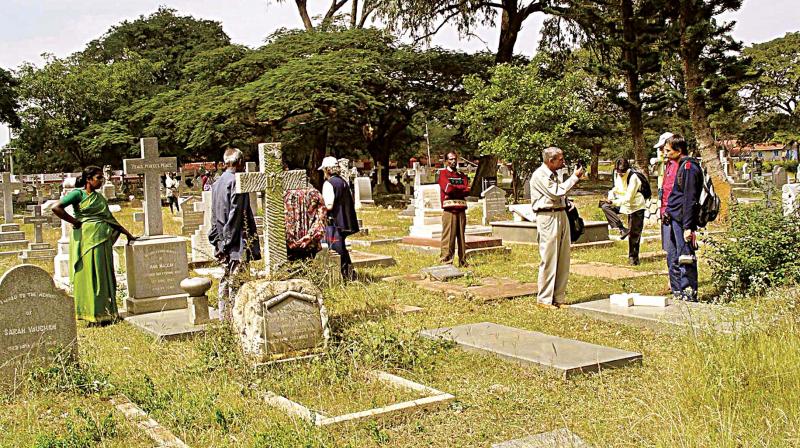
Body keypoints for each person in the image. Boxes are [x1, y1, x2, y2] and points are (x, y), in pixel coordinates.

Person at [52, 166, 137, 324]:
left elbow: (110, 219)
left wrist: (128, 234)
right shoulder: (78, 194)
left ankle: (105, 313)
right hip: (86, 240)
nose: (101, 181)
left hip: (102, 240)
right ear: (88, 179)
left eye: (102, 178)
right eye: (98, 178)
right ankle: (90, 313)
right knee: (89, 274)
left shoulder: (100, 198)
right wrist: (75, 221)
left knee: (103, 275)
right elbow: (56, 208)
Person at [209, 148, 262, 321]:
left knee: (225, 279)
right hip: (236, 241)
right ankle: (237, 321)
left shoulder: (216, 182)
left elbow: (213, 215)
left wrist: (217, 241)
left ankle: (224, 319)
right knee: (237, 282)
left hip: (222, 240)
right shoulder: (237, 182)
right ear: (239, 163)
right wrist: (226, 242)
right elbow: (236, 215)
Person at [529, 147, 585, 309]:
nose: (563, 162)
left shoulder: (554, 175)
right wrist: (574, 177)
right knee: (549, 257)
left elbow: (561, 195)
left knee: (563, 257)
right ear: (550, 160)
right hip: (547, 216)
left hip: (561, 214)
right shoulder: (540, 175)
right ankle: (544, 299)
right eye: (560, 159)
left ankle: (559, 297)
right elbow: (555, 192)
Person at [662, 135, 704, 301]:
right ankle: (678, 291)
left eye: (668, 150)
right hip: (674, 218)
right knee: (674, 256)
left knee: (685, 257)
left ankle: (689, 293)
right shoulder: (680, 166)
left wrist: (688, 226)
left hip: (683, 221)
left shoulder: (688, 167)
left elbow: (689, 199)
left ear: (678, 151)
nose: (665, 154)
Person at [599, 158, 646, 265]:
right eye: (618, 172)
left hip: (636, 205)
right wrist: (610, 197)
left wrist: (614, 202)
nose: (620, 174)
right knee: (605, 206)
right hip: (623, 204)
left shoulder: (633, 177)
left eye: (623, 172)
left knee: (634, 232)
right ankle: (621, 228)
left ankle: (633, 258)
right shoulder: (616, 174)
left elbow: (629, 198)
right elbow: (615, 188)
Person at [320, 156, 359, 280]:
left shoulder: (329, 183)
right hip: (345, 220)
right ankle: (349, 273)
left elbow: (329, 204)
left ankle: (341, 275)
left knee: (336, 249)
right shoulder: (343, 182)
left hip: (334, 222)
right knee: (341, 247)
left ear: (327, 169)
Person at [438, 151, 470, 266]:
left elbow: (467, 189)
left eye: (455, 159)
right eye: (450, 159)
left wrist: (457, 189)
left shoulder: (462, 175)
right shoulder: (443, 174)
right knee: (448, 237)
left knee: (461, 237)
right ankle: (446, 261)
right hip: (449, 210)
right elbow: (448, 189)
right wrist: (459, 189)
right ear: (446, 161)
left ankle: (463, 261)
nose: (453, 161)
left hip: (461, 208)